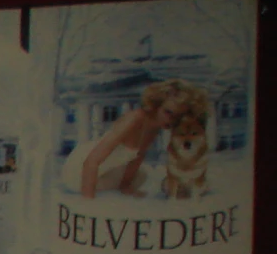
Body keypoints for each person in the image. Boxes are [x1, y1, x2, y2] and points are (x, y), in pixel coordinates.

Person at [77, 79, 208, 199]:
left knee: (141, 175)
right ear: (157, 105)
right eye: (168, 112)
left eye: (177, 116)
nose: (171, 120)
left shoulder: (154, 125)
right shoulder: (133, 119)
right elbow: (91, 161)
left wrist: (125, 186)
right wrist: (88, 201)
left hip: (107, 169)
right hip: (83, 168)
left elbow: (137, 156)